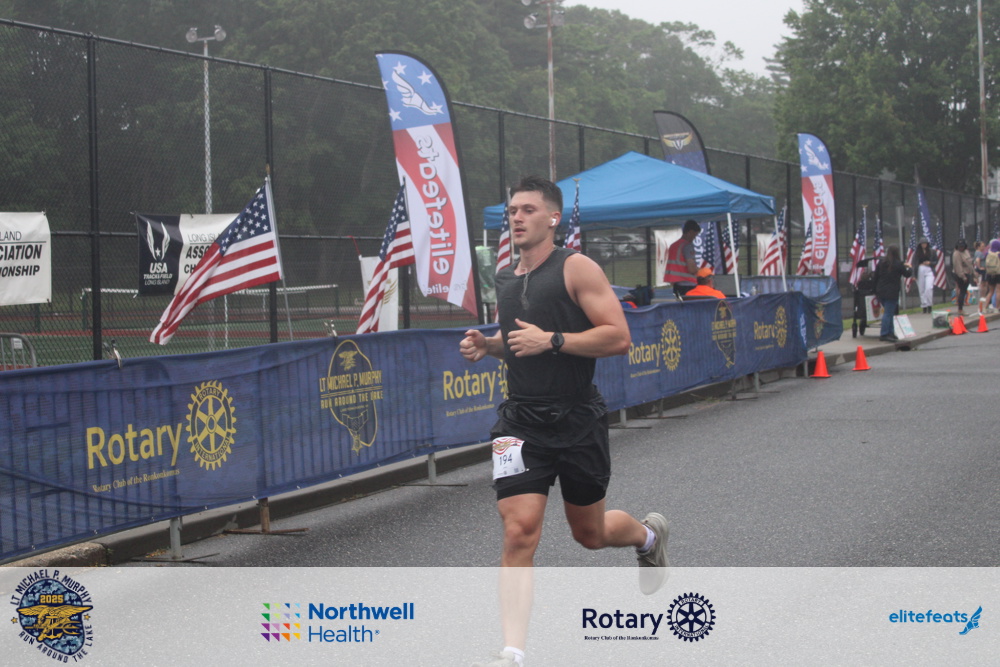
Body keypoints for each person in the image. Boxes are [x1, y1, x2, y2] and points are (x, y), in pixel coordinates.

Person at [461, 176, 669, 667]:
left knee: (589, 534)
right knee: (519, 531)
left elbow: (618, 337)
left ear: (553, 218)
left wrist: (553, 340)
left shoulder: (576, 267)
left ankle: (648, 536)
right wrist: (489, 345)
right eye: (513, 210)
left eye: (528, 210)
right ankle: (512, 651)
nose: (517, 217)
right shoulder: (506, 277)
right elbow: (519, 340)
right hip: (519, 422)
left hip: (577, 419)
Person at [873, 244, 911, 342]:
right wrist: (909, 267)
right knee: (888, 313)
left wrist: (875, 289)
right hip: (892, 292)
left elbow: (875, 276)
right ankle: (884, 333)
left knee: (889, 312)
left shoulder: (881, 262)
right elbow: (907, 274)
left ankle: (890, 332)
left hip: (881, 291)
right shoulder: (898, 264)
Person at [663, 220, 701, 298]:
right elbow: (691, 269)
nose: (694, 238)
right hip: (689, 284)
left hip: (677, 284)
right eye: (694, 235)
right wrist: (700, 270)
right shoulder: (687, 246)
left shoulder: (673, 246)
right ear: (690, 232)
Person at [912, 237, 937, 313]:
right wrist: (914, 275)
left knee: (929, 288)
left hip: (929, 269)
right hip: (920, 269)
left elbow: (936, 261)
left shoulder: (932, 251)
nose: (924, 245)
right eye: (922, 243)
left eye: (925, 243)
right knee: (921, 289)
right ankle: (924, 305)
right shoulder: (917, 253)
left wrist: (930, 263)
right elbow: (914, 264)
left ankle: (929, 304)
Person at [951, 239, 974, 316]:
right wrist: (963, 276)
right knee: (962, 291)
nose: (961, 248)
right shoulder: (956, 254)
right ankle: (960, 309)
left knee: (963, 291)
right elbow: (958, 266)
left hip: (967, 273)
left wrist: (974, 273)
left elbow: (970, 264)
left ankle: (961, 308)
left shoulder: (966, 252)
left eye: (962, 246)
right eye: (959, 246)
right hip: (960, 274)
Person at [980, 239, 1000, 314]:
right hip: (998, 273)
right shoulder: (998, 254)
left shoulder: (987, 253)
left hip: (989, 274)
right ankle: (996, 308)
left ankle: (985, 308)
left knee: (990, 291)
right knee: (998, 291)